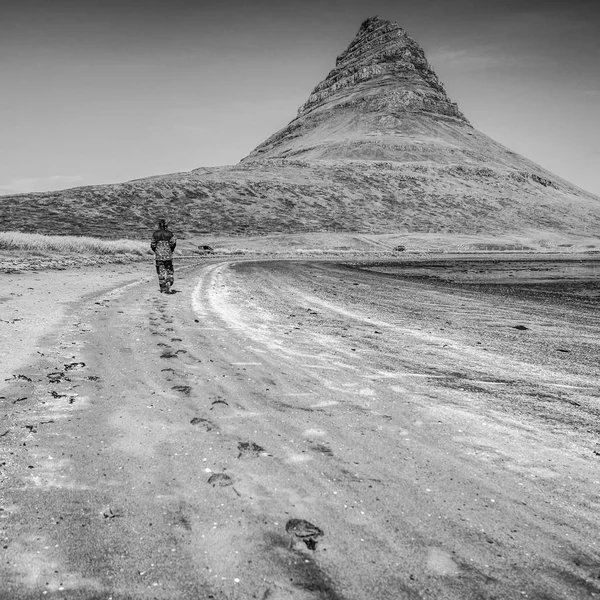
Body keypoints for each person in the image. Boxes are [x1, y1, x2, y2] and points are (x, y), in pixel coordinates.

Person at [150, 219, 177, 293]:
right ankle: (169, 281)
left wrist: (156, 251)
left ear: (159, 225)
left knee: (160, 272)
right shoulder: (170, 233)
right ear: (165, 225)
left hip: (159, 256)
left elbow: (152, 245)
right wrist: (170, 251)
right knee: (169, 270)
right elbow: (173, 243)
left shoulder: (155, 234)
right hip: (168, 256)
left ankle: (163, 287)